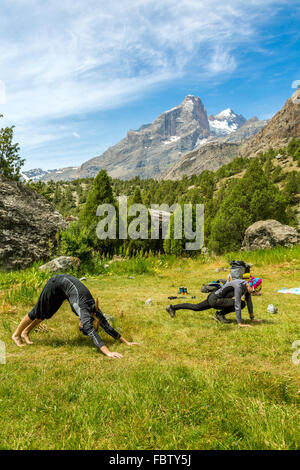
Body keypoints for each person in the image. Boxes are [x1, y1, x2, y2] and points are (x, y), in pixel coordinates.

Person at [12, 274, 138, 358]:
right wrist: (108, 353)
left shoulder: (94, 310)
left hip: (64, 289)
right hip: (56, 283)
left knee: (46, 314)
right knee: (37, 312)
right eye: (81, 326)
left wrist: (126, 342)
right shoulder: (84, 310)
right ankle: (17, 335)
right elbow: (91, 332)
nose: (80, 324)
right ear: (84, 323)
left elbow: (107, 326)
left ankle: (26, 332)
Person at [166, 277, 262, 328]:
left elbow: (249, 301)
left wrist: (252, 318)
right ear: (250, 285)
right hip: (215, 299)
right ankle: (219, 315)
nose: (254, 293)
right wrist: (240, 323)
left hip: (214, 297)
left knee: (196, 307)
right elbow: (237, 305)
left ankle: (172, 307)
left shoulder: (246, 287)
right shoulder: (239, 287)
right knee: (241, 304)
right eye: (254, 291)